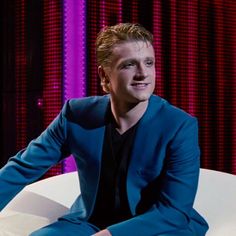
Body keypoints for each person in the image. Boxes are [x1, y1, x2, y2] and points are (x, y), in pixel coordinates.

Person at [0, 23, 208, 235]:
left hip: (157, 226)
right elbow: (23, 167)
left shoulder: (179, 126)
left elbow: (173, 211)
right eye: (129, 65)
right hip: (91, 221)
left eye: (149, 63)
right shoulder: (75, 115)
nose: (143, 73)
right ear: (105, 75)